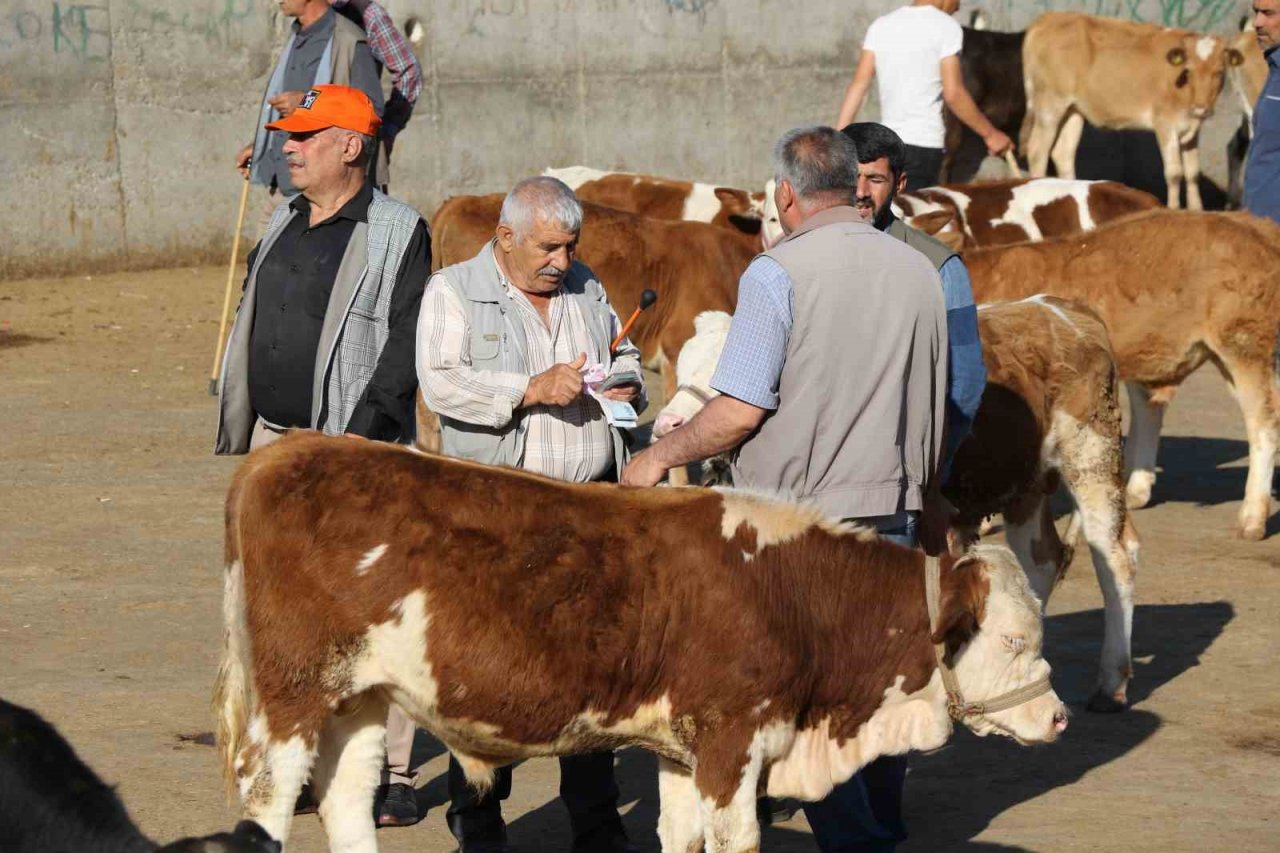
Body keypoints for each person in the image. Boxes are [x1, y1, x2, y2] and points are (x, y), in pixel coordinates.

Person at [622, 127, 947, 853]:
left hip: (801, 527)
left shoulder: (776, 274)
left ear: (786, 195)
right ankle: (882, 827)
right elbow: (934, 403)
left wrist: (657, 456)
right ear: (853, 185)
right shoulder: (919, 269)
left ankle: (862, 843)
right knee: (878, 687)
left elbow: (739, 410)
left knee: (808, 709)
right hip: (895, 509)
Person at [415, 176, 644, 853]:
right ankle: (480, 824)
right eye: (548, 248)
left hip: (588, 515)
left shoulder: (585, 284)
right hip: (500, 524)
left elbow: (624, 351)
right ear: (506, 236)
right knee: (489, 678)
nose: (562, 261)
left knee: (590, 674)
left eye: (570, 246)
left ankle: (597, 827)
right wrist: (529, 389)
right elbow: (440, 381)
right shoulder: (453, 290)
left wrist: (624, 380)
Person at [841, 121, 985, 548]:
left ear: (900, 184)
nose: (860, 191)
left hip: (895, 490)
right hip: (808, 490)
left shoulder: (940, 268)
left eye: (875, 179)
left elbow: (965, 382)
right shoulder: (797, 256)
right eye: (850, 177)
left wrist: (929, 474)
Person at [234, 0, 384, 224]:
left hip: (325, 201)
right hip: (282, 190)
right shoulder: (294, 37)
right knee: (263, 247)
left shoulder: (349, 40)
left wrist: (307, 102)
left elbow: (371, 111)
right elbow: (283, 111)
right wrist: (260, 146)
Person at [835, 0, 1013, 190]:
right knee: (914, 208)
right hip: (924, 146)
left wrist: (837, 140)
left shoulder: (881, 25)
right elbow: (954, 93)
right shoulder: (947, 27)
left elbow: (859, 86)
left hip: (887, 147)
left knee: (889, 206)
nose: (958, 7)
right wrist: (991, 134)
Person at [330, 0, 423, 162]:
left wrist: (389, 128)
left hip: (355, 144)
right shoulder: (306, 17)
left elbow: (408, 71)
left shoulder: (368, 14)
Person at [1245, 0, 1280, 222]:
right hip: (1259, 227)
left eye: (1268, 13)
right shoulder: (1275, 67)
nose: (1257, 23)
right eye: (1256, 12)